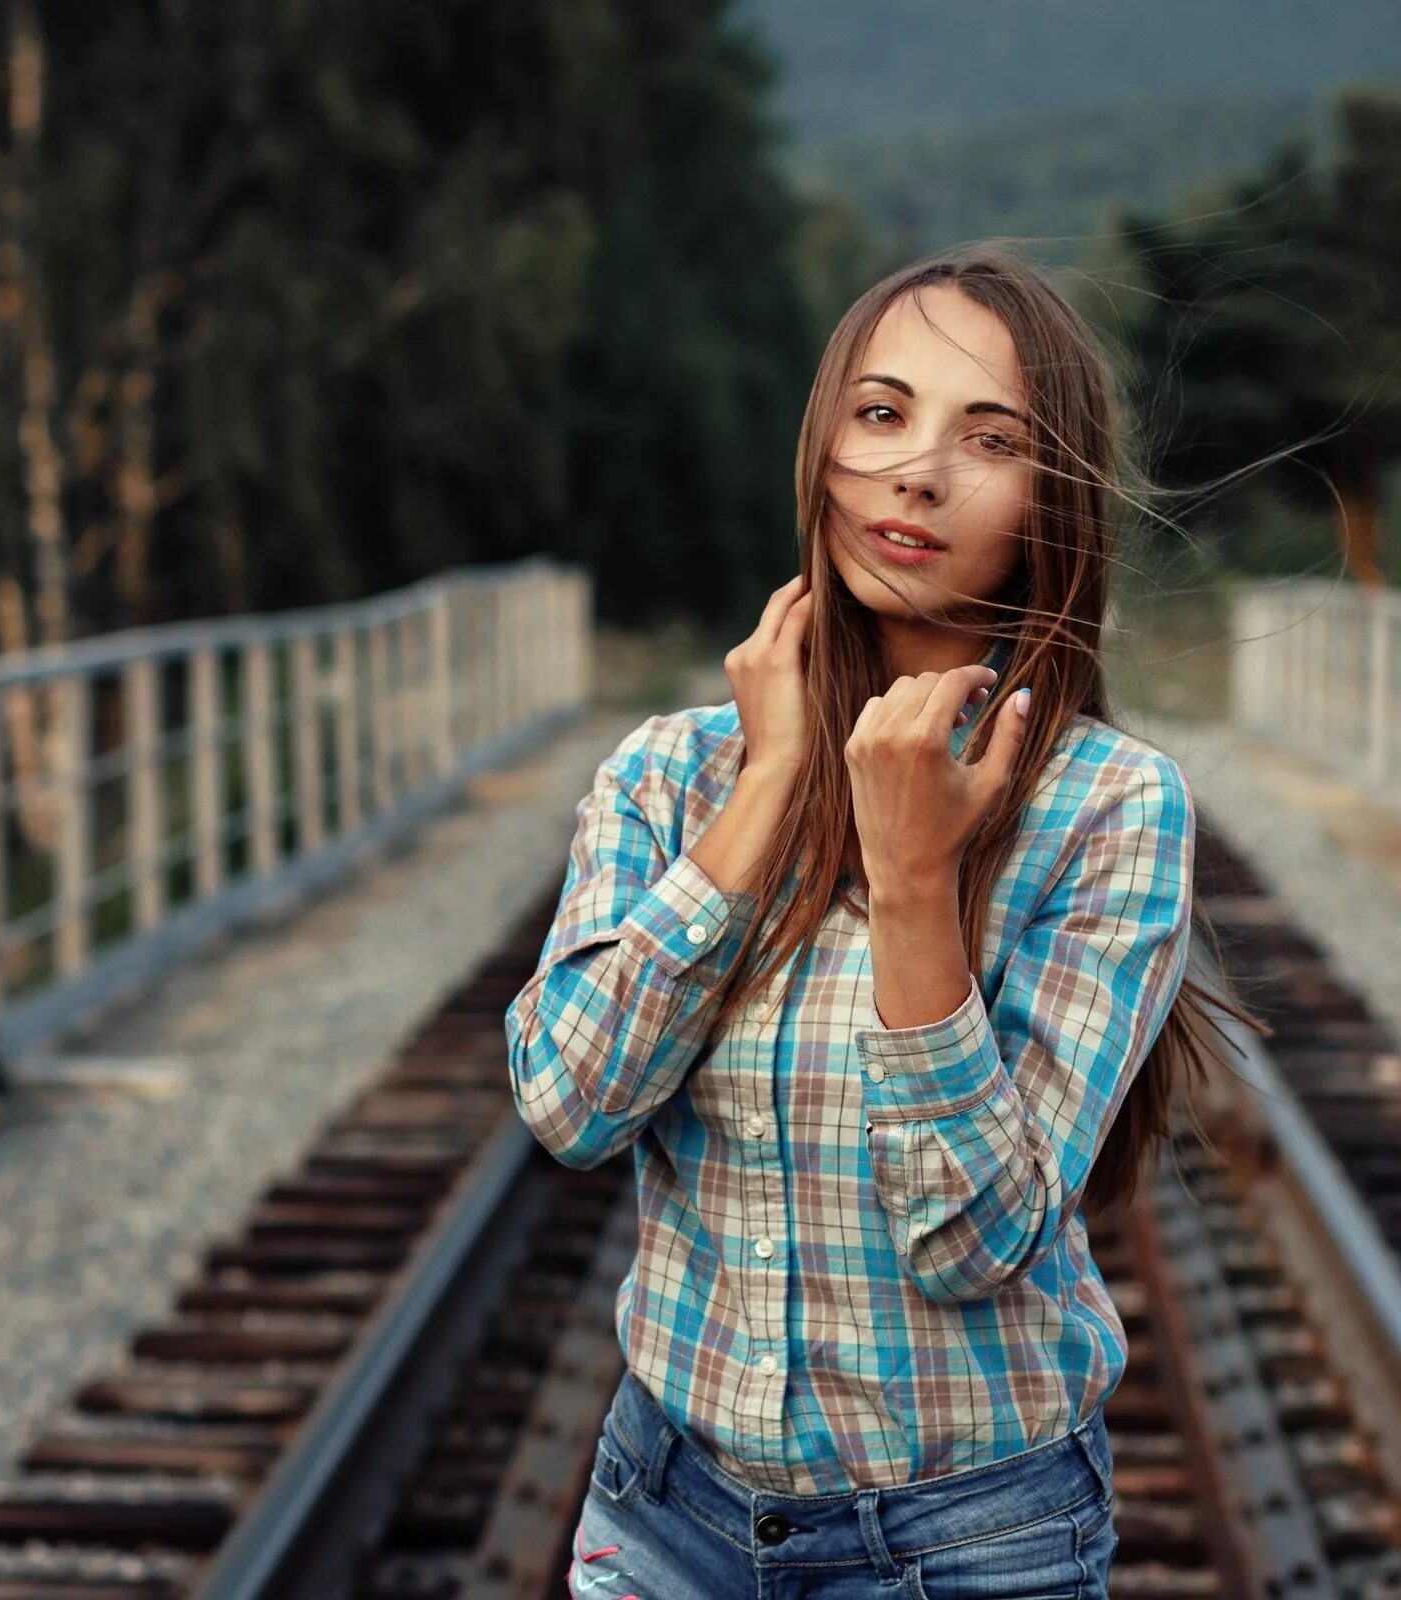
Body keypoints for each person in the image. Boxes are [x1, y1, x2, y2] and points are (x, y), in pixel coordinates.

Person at [506, 242, 1259, 1599]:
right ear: (824, 449)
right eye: (881, 413)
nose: (917, 472)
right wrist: (771, 788)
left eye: (990, 439)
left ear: (1050, 507)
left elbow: (969, 1239)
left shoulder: (1113, 811)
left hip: (969, 1546)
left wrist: (915, 883)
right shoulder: (673, 773)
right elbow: (568, 1102)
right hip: (666, 1520)